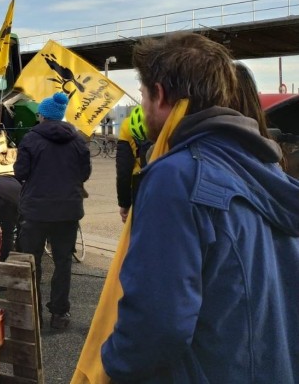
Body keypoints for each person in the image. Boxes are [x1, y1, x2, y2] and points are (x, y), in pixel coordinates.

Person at [97, 34, 299, 382]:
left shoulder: (176, 177)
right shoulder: (262, 164)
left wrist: (112, 363)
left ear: (159, 94)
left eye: (143, 96)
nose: (142, 107)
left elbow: (159, 322)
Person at [14, 91, 91, 330]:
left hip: (36, 211)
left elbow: (21, 173)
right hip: (68, 211)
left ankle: (33, 314)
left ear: (44, 116)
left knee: (32, 261)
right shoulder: (78, 140)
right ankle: (60, 314)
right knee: (63, 262)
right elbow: (85, 173)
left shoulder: (30, 139)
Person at [114, 105, 153, 223]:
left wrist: (124, 203)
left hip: (139, 185)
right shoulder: (170, 119)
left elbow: (123, 170)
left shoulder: (127, 124)